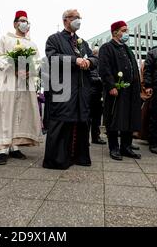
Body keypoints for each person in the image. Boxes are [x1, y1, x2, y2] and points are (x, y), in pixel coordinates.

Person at [43, 9, 97, 170]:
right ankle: (57, 160)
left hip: (81, 89)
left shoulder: (82, 42)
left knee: (81, 122)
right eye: (75, 17)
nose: (79, 20)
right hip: (63, 87)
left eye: (80, 17)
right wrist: (75, 60)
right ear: (66, 20)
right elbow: (52, 57)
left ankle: (78, 156)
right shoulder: (54, 39)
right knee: (61, 122)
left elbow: (94, 57)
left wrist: (90, 62)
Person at [0, 11, 42, 165]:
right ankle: (2, 149)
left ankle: (15, 145)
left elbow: (37, 61)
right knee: (6, 111)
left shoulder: (32, 44)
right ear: (15, 24)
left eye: (27, 21)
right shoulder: (5, 39)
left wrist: (29, 70)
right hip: (9, 81)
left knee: (21, 112)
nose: (25, 23)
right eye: (22, 20)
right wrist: (13, 65)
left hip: (24, 82)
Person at [99, 21, 142, 161]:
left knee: (129, 118)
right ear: (115, 32)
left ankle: (126, 147)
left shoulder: (126, 48)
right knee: (114, 118)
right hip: (116, 90)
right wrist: (111, 86)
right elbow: (104, 68)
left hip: (131, 90)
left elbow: (133, 68)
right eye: (123, 30)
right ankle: (114, 148)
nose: (126, 33)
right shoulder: (107, 48)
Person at [89, 46, 106, 145]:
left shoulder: (100, 63)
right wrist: (100, 79)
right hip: (92, 93)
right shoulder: (91, 62)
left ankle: (96, 137)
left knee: (97, 116)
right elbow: (90, 77)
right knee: (90, 117)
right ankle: (87, 138)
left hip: (98, 93)